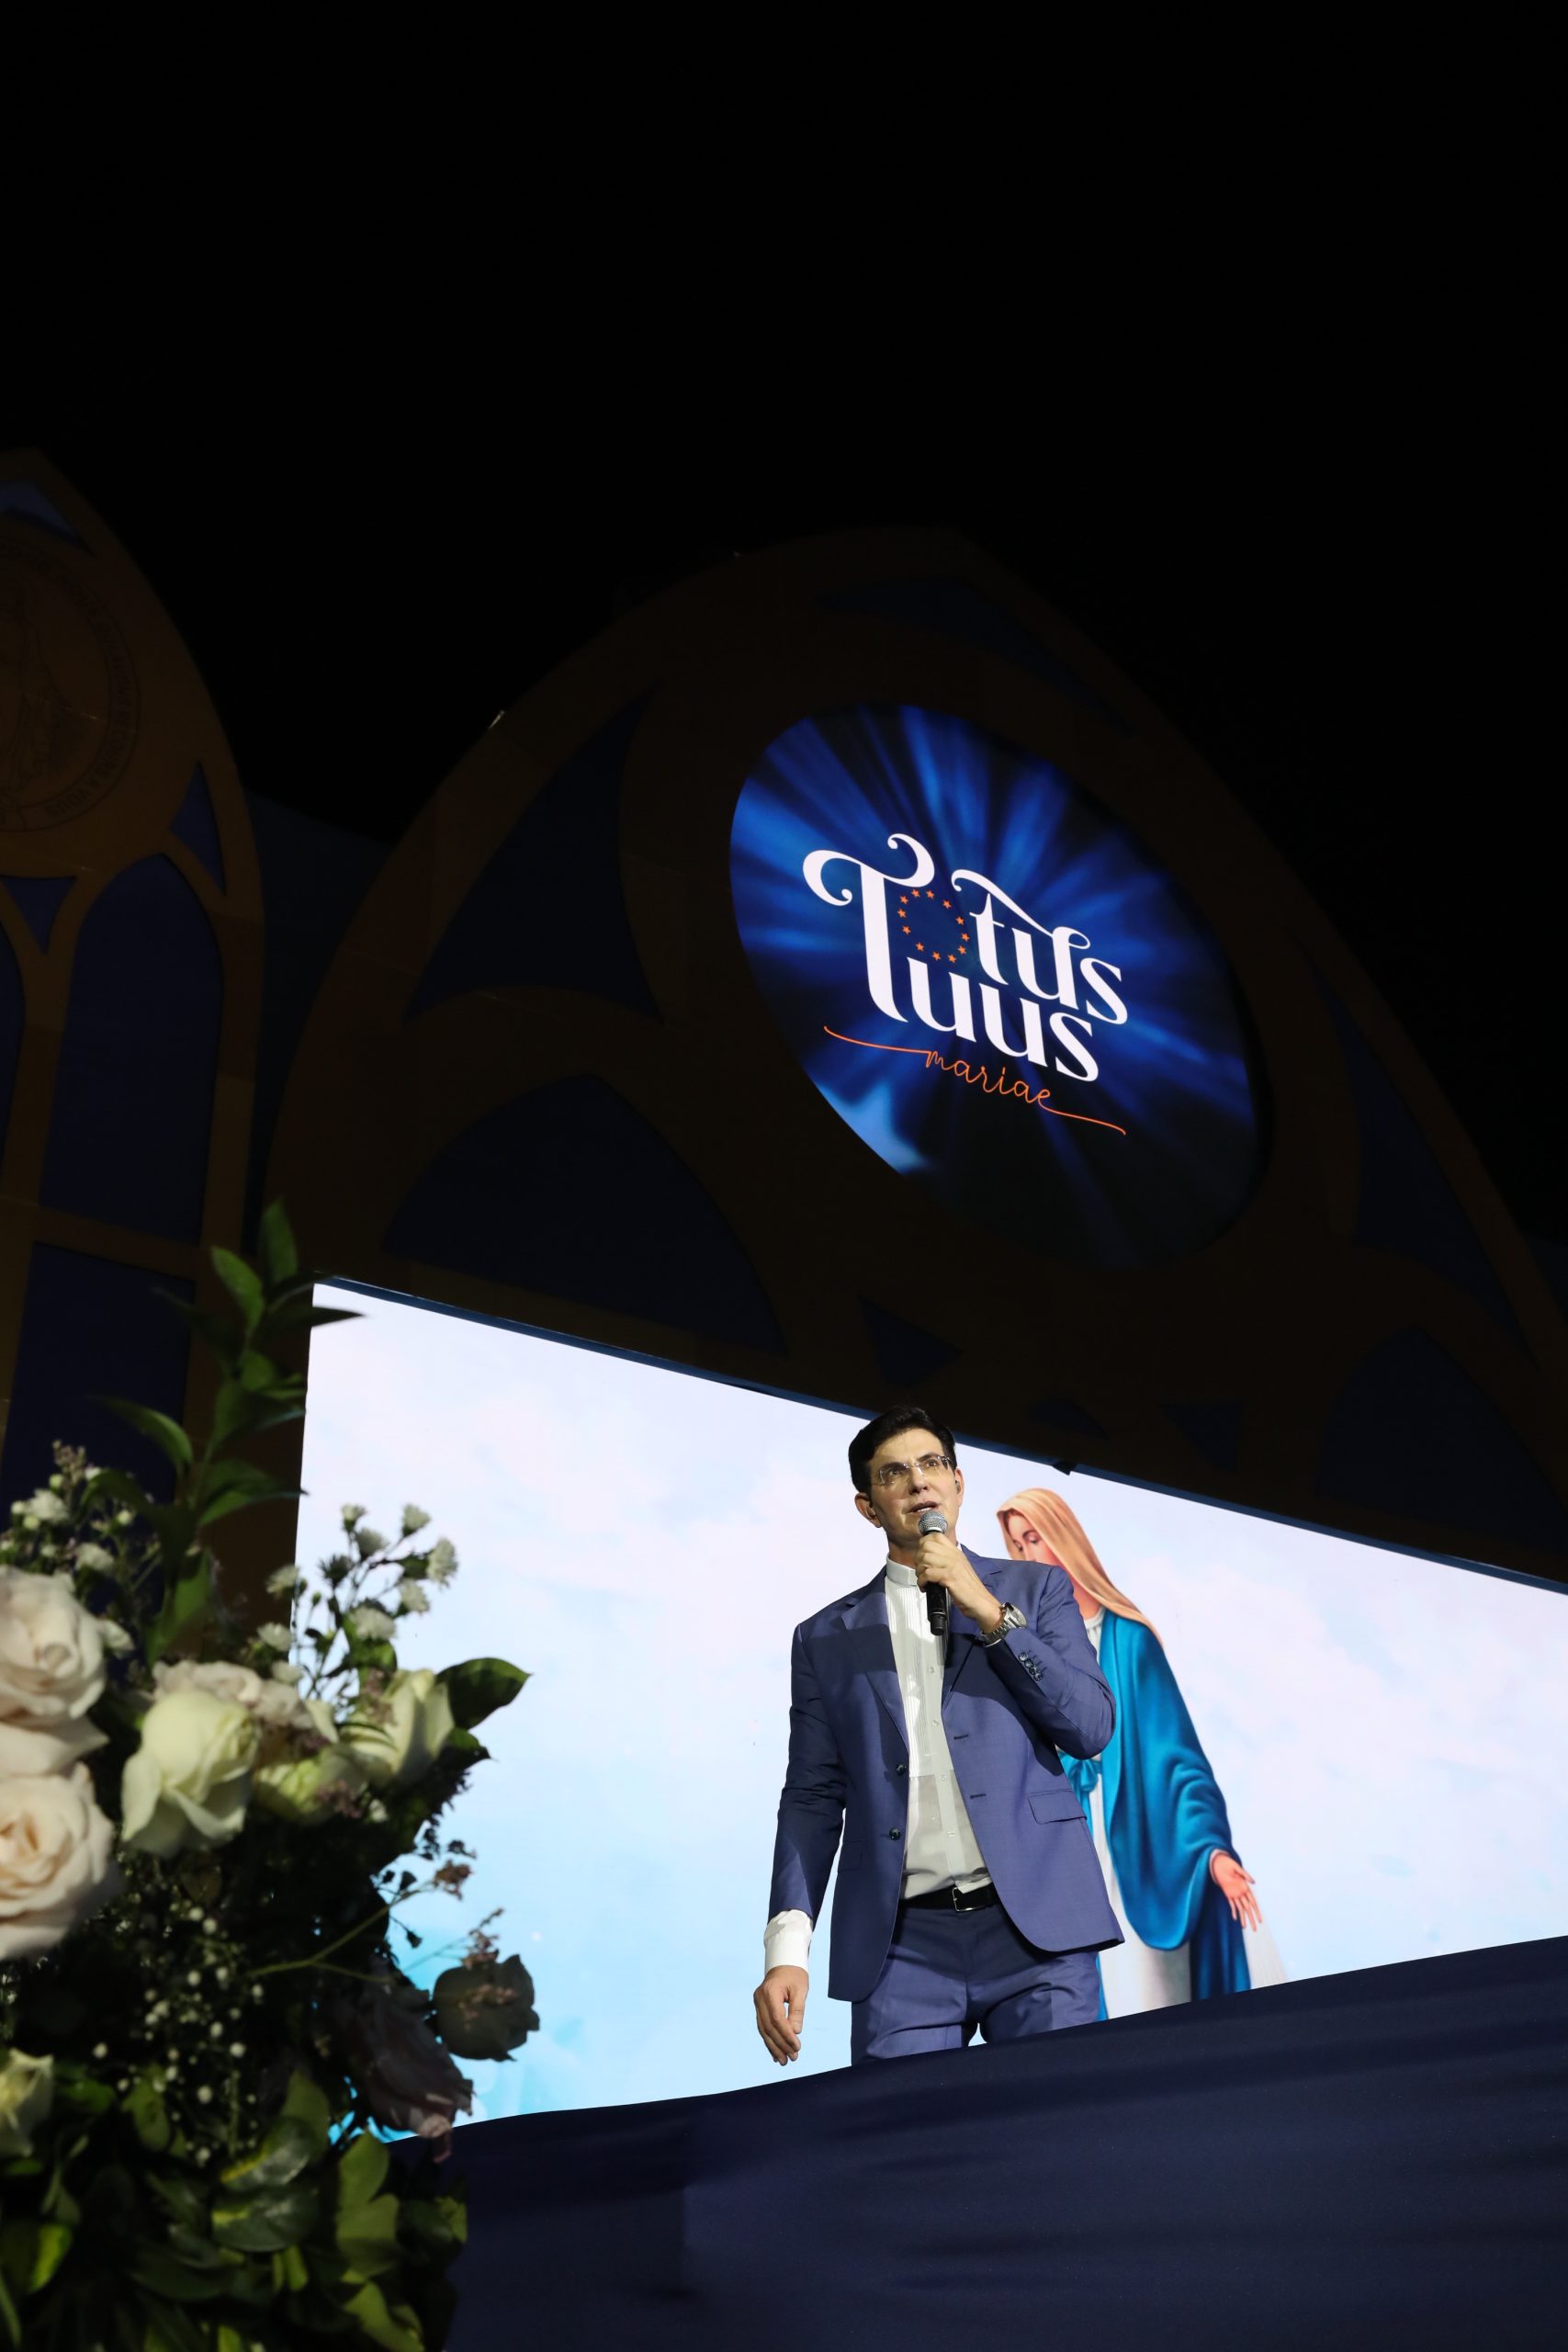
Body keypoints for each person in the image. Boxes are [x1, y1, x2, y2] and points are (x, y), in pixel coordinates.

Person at [753, 1406, 1122, 2067]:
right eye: (894, 1473)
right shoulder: (824, 1637)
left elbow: (1089, 1727)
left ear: (957, 1482)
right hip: (902, 1948)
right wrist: (787, 1950)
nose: (918, 1481)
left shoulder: (1036, 1589)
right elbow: (811, 1795)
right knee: (902, 2129)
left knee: (1062, 2118)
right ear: (869, 1508)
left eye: (931, 1464)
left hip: (1037, 1928)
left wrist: (987, 1610)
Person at [998, 1487, 1280, 2015]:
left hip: (1140, 1851)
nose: (1027, 1555)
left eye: (1035, 1538)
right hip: (1069, 1856)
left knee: (1150, 2007)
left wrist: (1212, 1851)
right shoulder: (1028, 1648)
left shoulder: (1129, 1641)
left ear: (1064, 1538)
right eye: (1017, 1546)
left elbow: (1177, 1761)